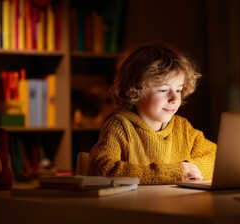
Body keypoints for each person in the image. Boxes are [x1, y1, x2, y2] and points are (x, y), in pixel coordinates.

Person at [87, 43, 217, 185]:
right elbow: (101, 169)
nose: (175, 99)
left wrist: (190, 168)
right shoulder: (120, 125)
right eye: (163, 90)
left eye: (179, 90)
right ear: (136, 89)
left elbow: (217, 158)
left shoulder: (182, 128)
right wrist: (176, 171)